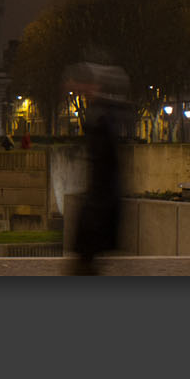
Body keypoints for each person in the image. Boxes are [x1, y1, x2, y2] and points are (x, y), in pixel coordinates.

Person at [66, 63, 131, 276]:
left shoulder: (100, 115)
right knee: (87, 261)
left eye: (77, 84)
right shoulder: (102, 112)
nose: (73, 88)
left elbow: (105, 159)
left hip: (100, 198)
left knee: (85, 261)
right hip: (101, 196)